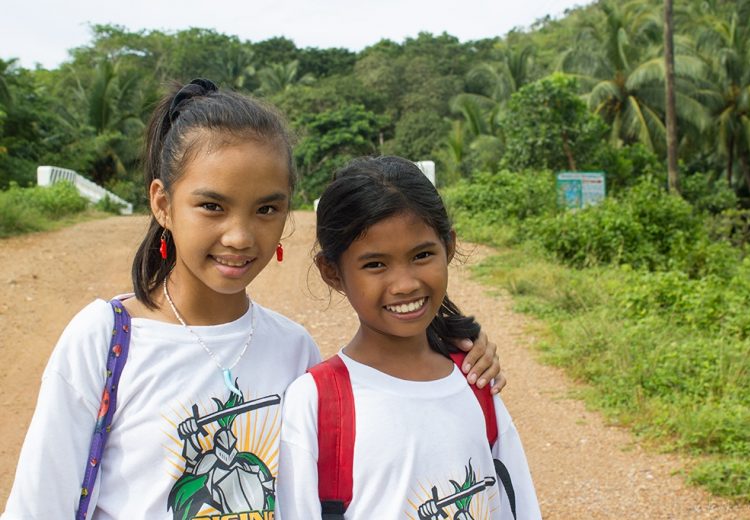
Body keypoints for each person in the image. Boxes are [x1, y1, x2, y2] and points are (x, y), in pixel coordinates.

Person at [1, 80, 502, 519]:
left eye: (267, 208)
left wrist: (455, 346)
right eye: (212, 206)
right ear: (162, 204)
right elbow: (38, 504)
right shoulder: (106, 339)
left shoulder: (293, 349)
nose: (240, 236)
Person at [276, 156, 542, 519]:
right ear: (332, 272)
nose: (405, 284)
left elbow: (517, 505)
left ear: (448, 247)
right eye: (375, 264)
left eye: (422, 255)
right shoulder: (316, 401)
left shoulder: (474, 381)